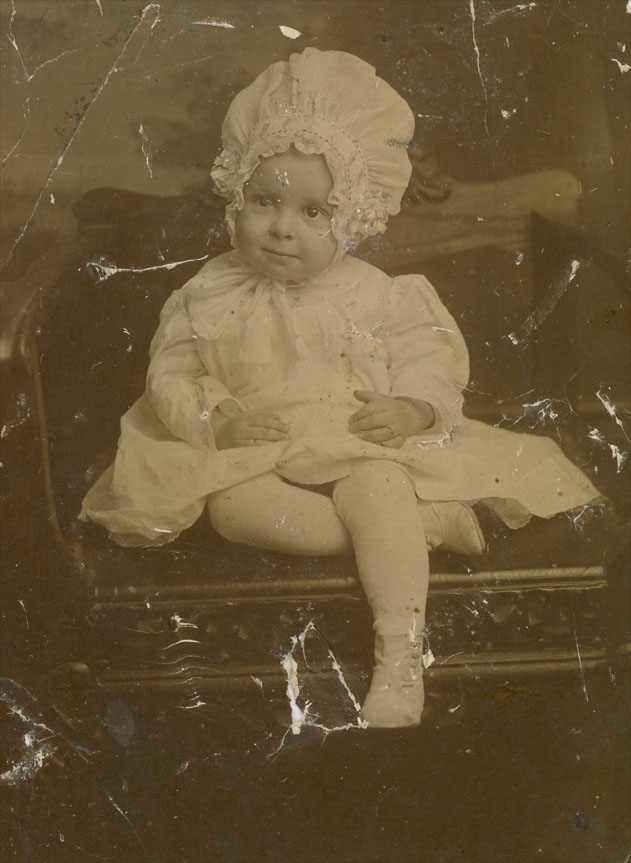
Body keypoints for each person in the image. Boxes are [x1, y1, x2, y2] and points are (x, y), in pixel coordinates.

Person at [80, 48, 600, 728]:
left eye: (313, 212)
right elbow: (172, 376)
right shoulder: (206, 291)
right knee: (231, 507)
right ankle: (420, 528)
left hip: (354, 440)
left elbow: (429, 356)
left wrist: (412, 407)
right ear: (236, 196)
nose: (280, 226)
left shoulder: (375, 292)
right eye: (264, 201)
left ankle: (399, 656)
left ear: (353, 217)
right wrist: (218, 419)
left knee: (378, 486)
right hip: (254, 448)